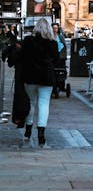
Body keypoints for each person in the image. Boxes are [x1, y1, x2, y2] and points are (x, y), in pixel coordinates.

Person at [17, 16, 59, 147]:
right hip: (46, 77)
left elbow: (21, 57)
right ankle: (41, 133)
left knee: (31, 103)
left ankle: (28, 130)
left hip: (30, 76)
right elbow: (56, 60)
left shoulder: (28, 41)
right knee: (44, 104)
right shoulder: (53, 43)